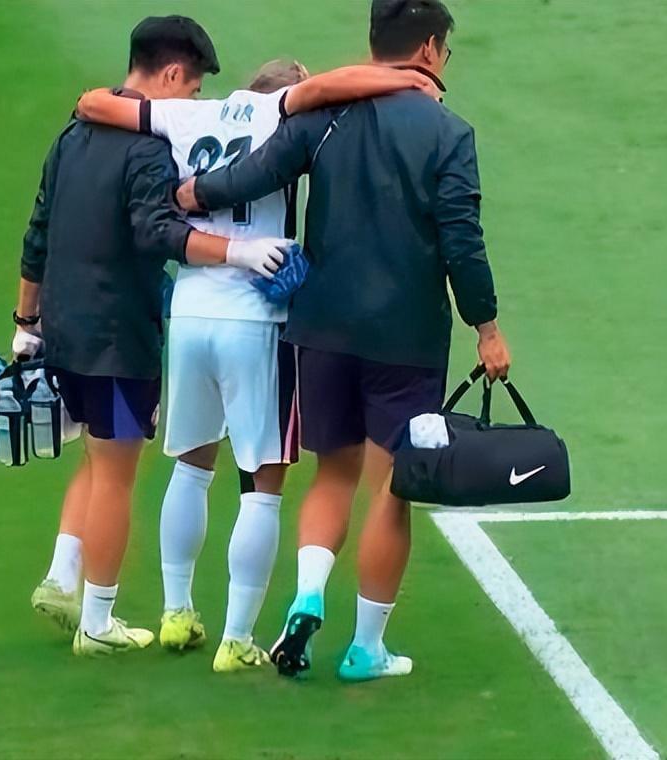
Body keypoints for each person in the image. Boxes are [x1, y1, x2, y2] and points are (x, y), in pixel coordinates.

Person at [177, 0, 512, 681]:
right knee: (391, 487)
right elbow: (461, 239)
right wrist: (487, 327)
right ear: (429, 48)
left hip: (321, 329)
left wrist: (191, 195)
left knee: (333, 473)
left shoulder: (325, 117)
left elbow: (255, 173)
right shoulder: (449, 133)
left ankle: (307, 595)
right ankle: (366, 648)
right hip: (405, 337)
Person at [74, 60, 439, 671]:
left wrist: (93, 100)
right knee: (262, 487)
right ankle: (236, 639)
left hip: (190, 309)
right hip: (255, 318)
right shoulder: (280, 113)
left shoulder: (189, 113)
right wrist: (404, 79)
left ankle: (176, 610)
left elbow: (96, 104)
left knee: (190, 468)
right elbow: (328, 88)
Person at [16, 15, 294, 657]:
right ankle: (97, 622)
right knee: (117, 472)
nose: (192, 104)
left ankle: (62, 574)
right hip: (117, 336)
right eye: (192, 90)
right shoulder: (147, 150)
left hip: (62, 327)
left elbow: (38, 229)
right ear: (170, 74)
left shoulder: (72, 135)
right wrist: (237, 251)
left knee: (95, 455)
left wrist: (25, 323)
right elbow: (158, 232)